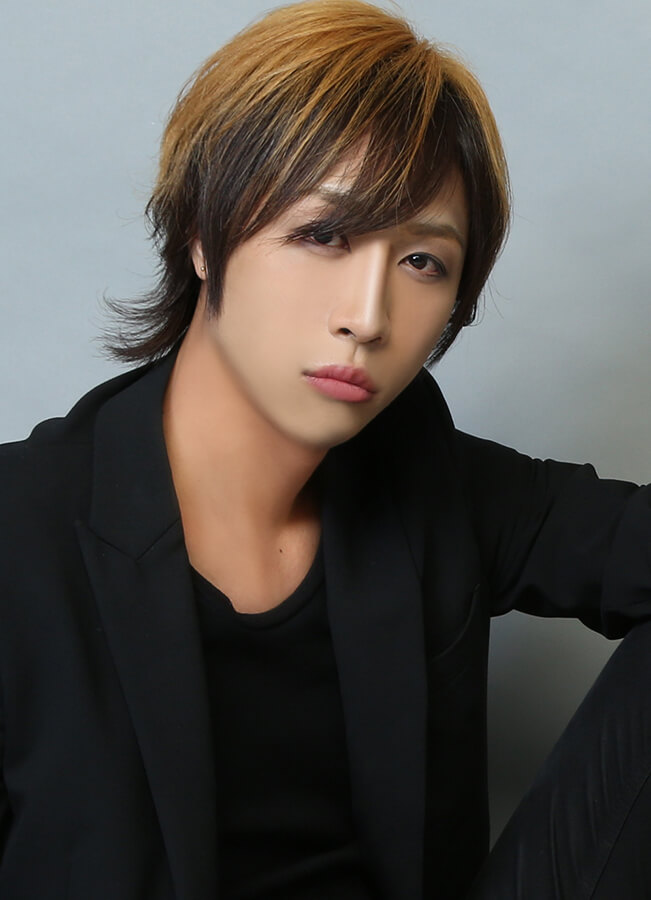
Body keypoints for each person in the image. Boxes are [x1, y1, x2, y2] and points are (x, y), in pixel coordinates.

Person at [0, 1, 649, 898]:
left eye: (421, 262)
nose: (367, 316)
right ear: (201, 235)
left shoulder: (429, 480)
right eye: (321, 235)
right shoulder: (21, 531)